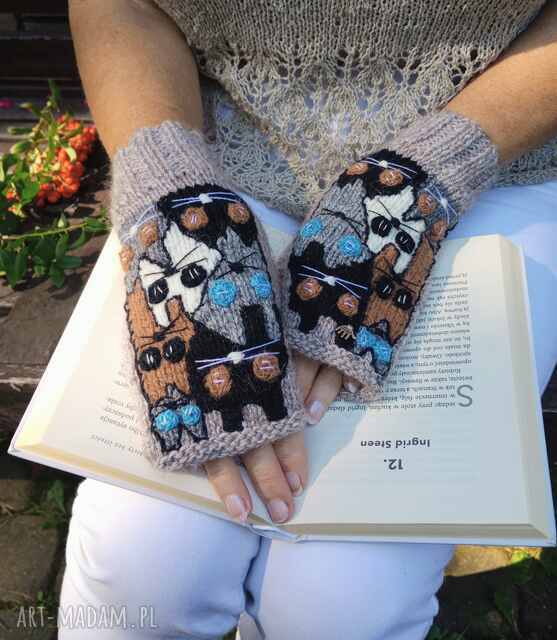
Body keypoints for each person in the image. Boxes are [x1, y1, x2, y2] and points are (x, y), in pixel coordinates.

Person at [60, 1, 557, 638]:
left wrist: (421, 178)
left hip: (496, 151)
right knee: (140, 572)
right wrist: (172, 188)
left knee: (343, 606)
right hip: (218, 158)